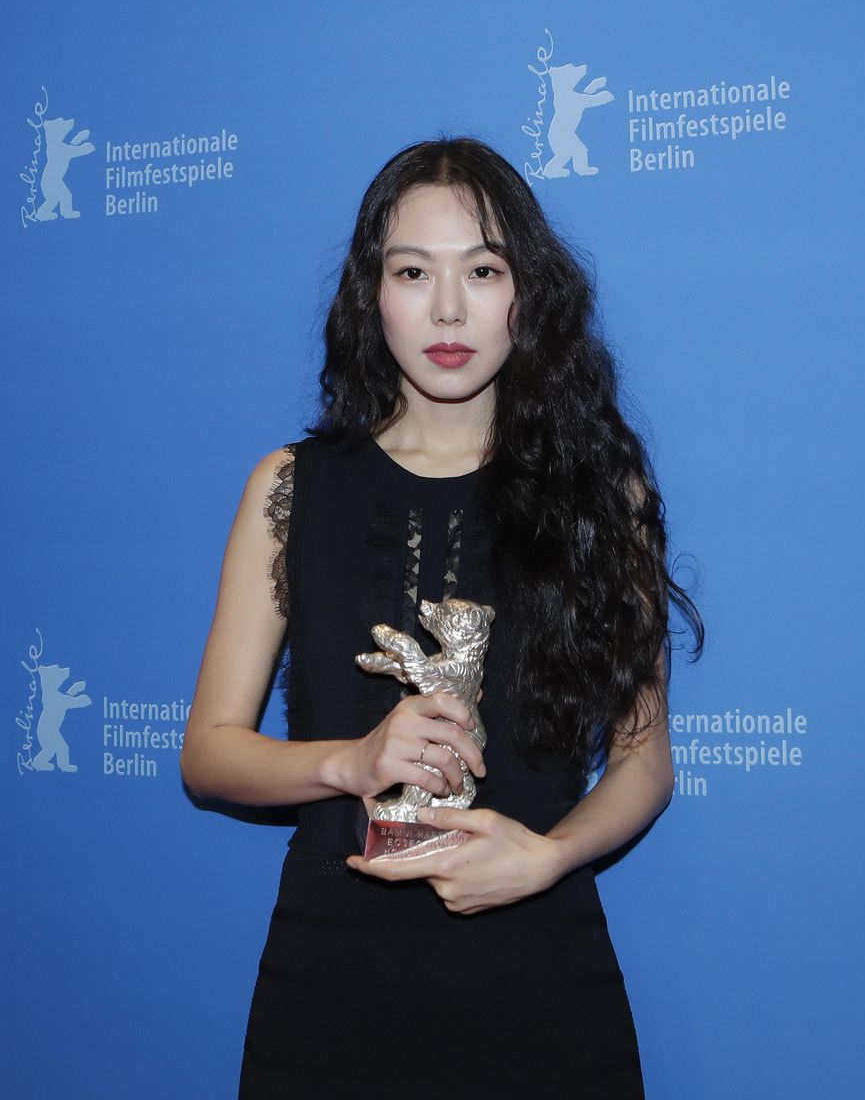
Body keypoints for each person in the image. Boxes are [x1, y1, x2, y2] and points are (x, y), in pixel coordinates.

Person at [181, 136, 701, 1099]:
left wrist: (546, 857)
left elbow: (644, 762)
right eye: (414, 271)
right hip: (328, 994)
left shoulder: (602, 494)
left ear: (528, 294)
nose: (449, 309)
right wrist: (349, 760)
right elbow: (209, 752)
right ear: (371, 294)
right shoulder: (289, 489)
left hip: (541, 982)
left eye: (484, 269)